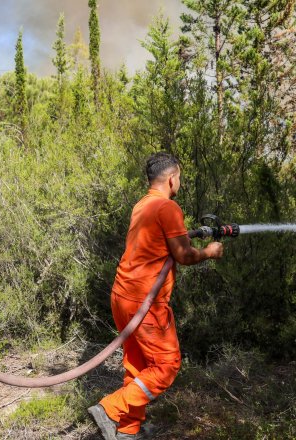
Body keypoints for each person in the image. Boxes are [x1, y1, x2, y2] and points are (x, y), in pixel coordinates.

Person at [88, 152, 224, 439]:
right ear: (173, 178)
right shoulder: (167, 207)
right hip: (145, 302)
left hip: (122, 296)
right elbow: (184, 255)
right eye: (181, 178)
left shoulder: (143, 205)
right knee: (166, 365)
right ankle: (111, 408)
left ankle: (127, 429)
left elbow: (162, 242)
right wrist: (209, 252)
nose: (180, 183)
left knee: (138, 364)